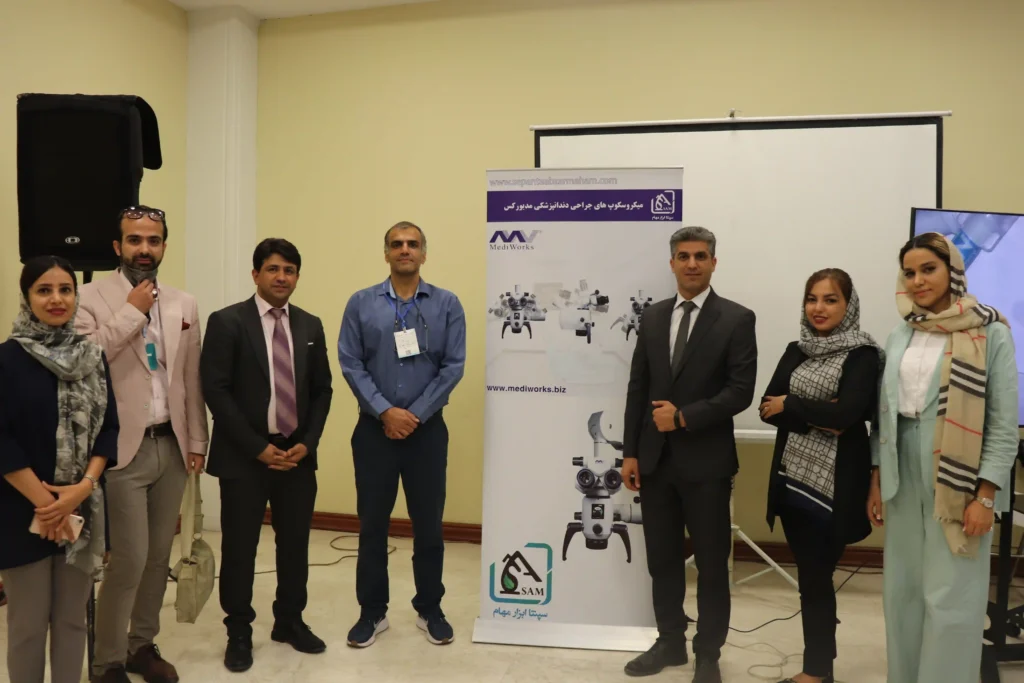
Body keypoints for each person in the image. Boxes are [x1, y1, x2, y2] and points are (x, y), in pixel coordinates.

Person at [869, 233, 1018, 683]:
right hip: (901, 472)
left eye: (928, 269)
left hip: (960, 479)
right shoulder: (902, 332)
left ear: (952, 271)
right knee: (903, 593)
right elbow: (884, 413)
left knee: (952, 596)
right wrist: (877, 478)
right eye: (909, 273)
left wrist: (986, 496)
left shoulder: (991, 332)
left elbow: (1002, 423)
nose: (917, 281)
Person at [78, 206, 209, 683]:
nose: (144, 249)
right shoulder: (88, 297)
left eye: (153, 240)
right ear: (118, 247)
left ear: (164, 246)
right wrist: (133, 310)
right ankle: (107, 661)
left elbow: (190, 378)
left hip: (170, 444)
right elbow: (86, 357)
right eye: (134, 240)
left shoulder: (183, 303)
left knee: (157, 558)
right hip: (119, 449)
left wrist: (197, 440)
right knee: (128, 559)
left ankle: (140, 646)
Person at [621, 226, 757, 683]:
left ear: (714, 262)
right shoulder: (653, 317)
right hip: (655, 462)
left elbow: (739, 391)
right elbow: (638, 387)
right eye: (684, 256)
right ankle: (670, 643)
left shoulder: (736, 319)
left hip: (707, 466)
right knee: (661, 561)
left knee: (712, 566)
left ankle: (708, 654)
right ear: (672, 263)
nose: (692, 263)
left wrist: (682, 417)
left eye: (701, 256)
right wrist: (630, 452)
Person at [201, 238, 333, 673]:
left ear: (297, 277)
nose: (281, 277)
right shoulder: (227, 322)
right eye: (273, 269)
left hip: (296, 455)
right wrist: (258, 448)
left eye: (289, 270)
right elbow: (216, 391)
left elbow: (322, 390)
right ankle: (239, 630)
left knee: (295, 545)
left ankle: (289, 620)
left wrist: (308, 442)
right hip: (245, 457)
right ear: (256, 274)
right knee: (241, 548)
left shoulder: (310, 325)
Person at [338, 220, 466, 648]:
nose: (405, 250)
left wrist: (414, 415)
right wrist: (385, 411)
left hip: (427, 433)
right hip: (374, 432)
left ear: (424, 254)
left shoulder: (447, 304)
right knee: (372, 526)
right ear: (387, 253)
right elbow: (350, 362)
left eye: (413, 244)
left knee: (428, 526)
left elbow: (453, 367)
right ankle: (372, 612)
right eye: (397, 244)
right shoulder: (361, 303)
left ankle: (430, 608)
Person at [0, 255, 119, 683]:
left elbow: (109, 429)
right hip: (21, 512)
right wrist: (49, 505)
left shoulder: (92, 357)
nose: (56, 299)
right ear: (27, 297)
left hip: (82, 508)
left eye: (65, 289)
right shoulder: (6, 360)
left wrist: (81, 489)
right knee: (28, 626)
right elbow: (2, 440)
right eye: (44, 290)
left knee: (72, 621)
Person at [758, 269, 881, 683]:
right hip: (792, 481)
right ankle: (819, 666)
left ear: (849, 305)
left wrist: (793, 404)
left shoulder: (863, 354)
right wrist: (821, 415)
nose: (819, 308)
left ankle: (816, 670)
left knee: (815, 577)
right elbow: (766, 408)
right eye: (812, 299)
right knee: (811, 578)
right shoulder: (796, 349)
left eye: (830, 299)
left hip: (837, 486)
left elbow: (848, 414)